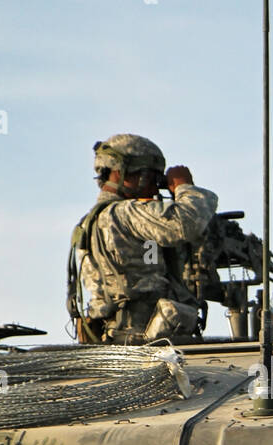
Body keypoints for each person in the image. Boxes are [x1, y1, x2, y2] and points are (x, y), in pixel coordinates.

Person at [69, 133, 218, 344]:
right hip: (144, 338)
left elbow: (149, 259)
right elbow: (186, 223)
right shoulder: (126, 213)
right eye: (150, 177)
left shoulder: (88, 223)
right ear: (123, 174)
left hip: (114, 336)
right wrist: (184, 187)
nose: (155, 188)